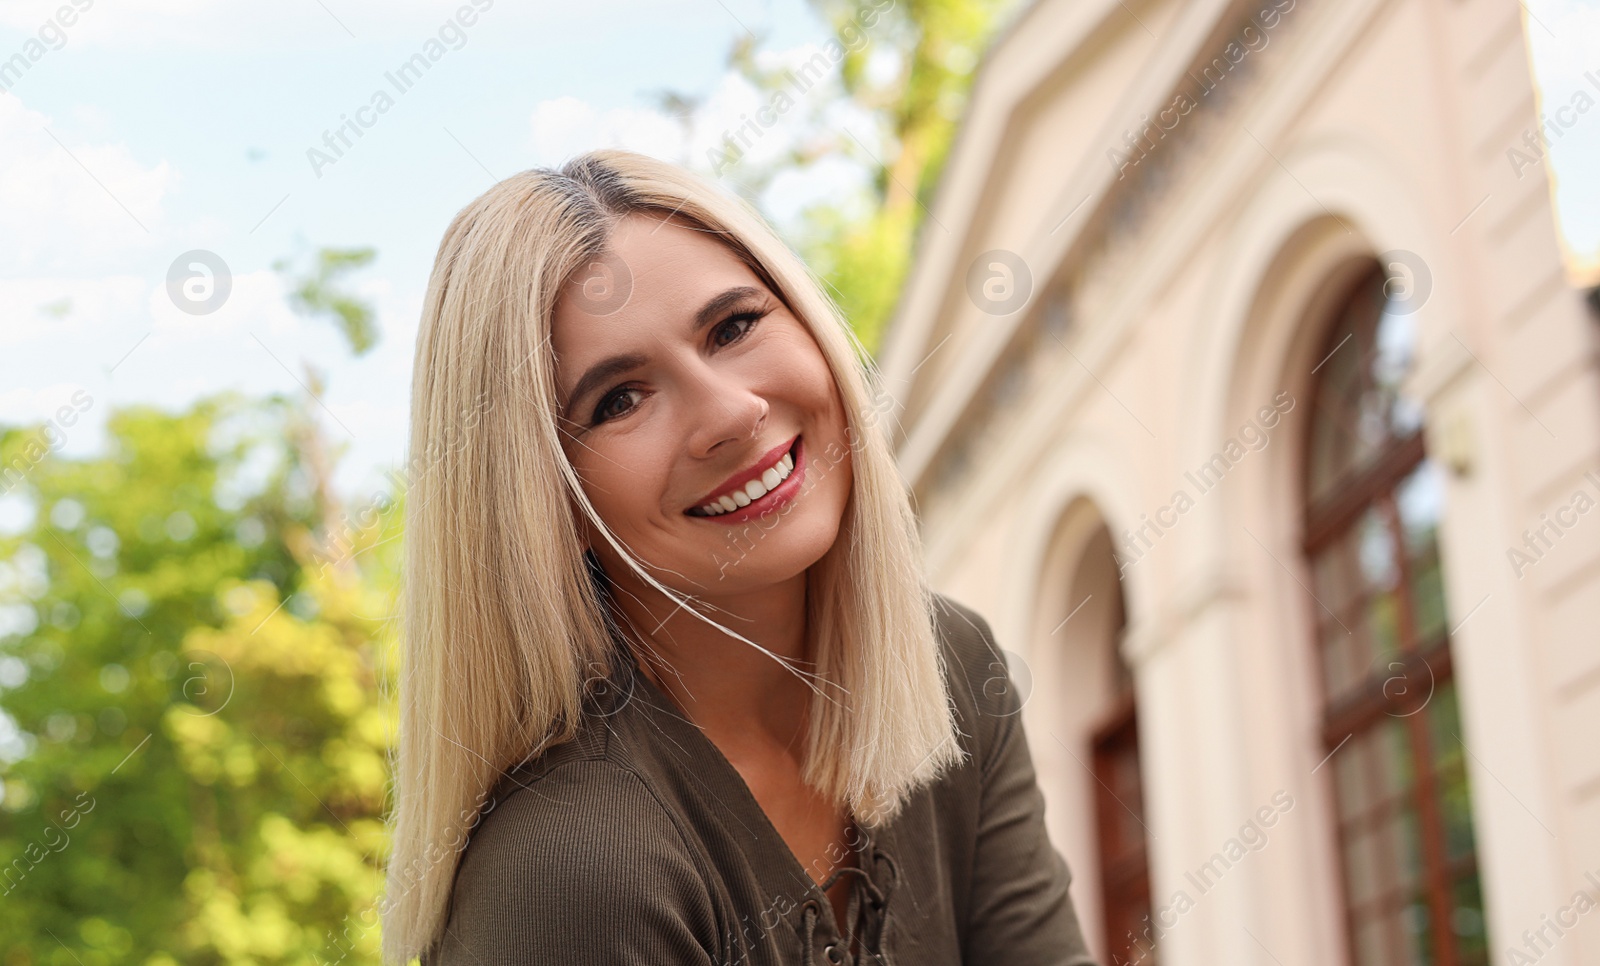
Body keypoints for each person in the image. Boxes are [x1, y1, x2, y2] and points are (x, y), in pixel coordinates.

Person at [380, 148, 1098, 966]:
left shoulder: (951, 669)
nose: (730, 412)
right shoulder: (579, 869)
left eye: (734, 326)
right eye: (620, 399)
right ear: (547, 505)